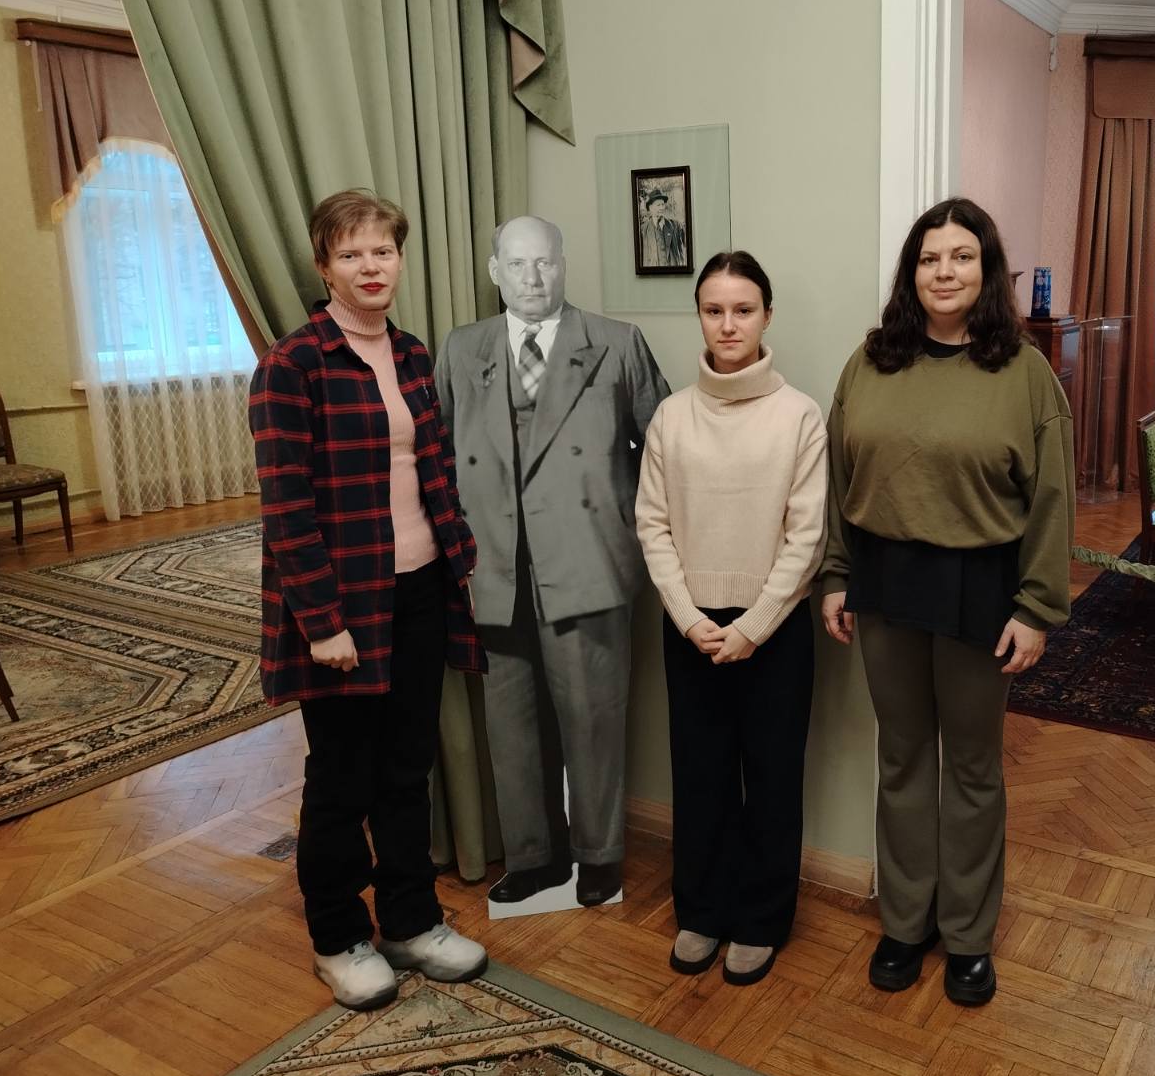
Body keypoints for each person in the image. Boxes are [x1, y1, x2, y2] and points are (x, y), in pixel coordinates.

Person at [819, 197, 1075, 1007]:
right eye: (930, 258)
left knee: (970, 768)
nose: (945, 271)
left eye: (962, 256)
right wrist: (835, 574)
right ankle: (905, 922)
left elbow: (1053, 500)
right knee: (900, 759)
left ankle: (966, 935)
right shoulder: (869, 363)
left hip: (980, 589)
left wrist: (1037, 607)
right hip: (884, 583)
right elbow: (838, 478)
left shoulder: (1023, 373)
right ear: (912, 272)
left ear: (986, 269)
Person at [249, 189, 488, 1011]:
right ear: (325, 267)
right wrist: (322, 623)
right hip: (341, 606)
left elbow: (435, 471)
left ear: (399, 259)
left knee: (406, 768)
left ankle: (411, 923)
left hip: (420, 590)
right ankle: (337, 936)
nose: (370, 266)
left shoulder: (412, 355)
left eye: (382, 250)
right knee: (342, 780)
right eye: (351, 254)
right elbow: (286, 508)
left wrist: (460, 557)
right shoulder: (292, 366)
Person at [435, 215, 670, 909]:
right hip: (495, 568)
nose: (532, 277)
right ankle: (534, 857)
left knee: (593, 719)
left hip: (588, 564)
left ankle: (599, 855)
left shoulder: (617, 343)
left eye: (544, 262)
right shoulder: (462, 348)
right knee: (511, 725)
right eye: (517, 264)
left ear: (563, 264)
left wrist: (627, 532)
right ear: (494, 271)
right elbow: (438, 457)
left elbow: (666, 453)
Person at [634, 251, 826, 986]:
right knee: (701, 772)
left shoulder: (799, 415)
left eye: (743, 309)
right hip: (692, 627)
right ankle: (703, 909)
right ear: (699, 317)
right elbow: (652, 524)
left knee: (772, 776)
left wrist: (754, 625)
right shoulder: (672, 415)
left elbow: (807, 536)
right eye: (713, 310)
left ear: (767, 316)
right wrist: (688, 616)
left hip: (773, 629)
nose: (728, 324)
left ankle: (762, 919)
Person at [639, 189, 688, 268]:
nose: (662, 208)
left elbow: (686, 245)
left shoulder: (676, 226)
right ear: (650, 207)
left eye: (663, 204)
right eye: (658, 205)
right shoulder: (643, 230)